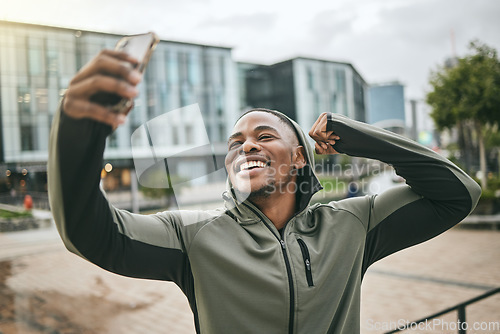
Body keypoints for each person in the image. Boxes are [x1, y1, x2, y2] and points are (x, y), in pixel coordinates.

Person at [48, 50, 481, 334]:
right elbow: (89, 234)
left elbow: (458, 193)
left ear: (299, 158)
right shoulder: (192, 236)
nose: (247, 145)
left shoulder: (353, 224)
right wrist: (77, 128)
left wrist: (362, 139)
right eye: (236, 142)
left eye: (264, 135)